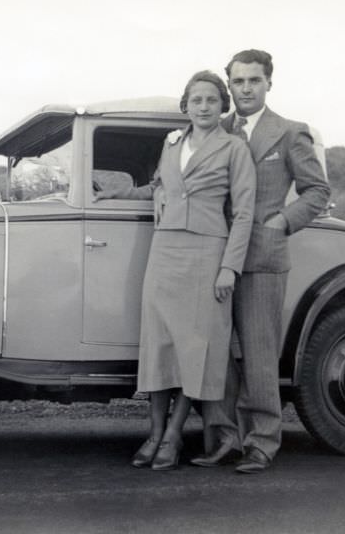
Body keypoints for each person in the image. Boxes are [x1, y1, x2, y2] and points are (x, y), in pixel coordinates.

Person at [96, 70, 256, 470]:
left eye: (212, 101)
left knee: (193, 349)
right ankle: (152, 434)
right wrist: (123, 192)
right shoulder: (171, 144)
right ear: (185, 106)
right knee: (159, 345)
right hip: (164, 251)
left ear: (223, 107)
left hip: (207, 254)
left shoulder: (234, 148)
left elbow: (244, 213)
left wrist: (229, 269)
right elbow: (157, 186)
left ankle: (172, 438)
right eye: (197, 100)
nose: (204, 107)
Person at [195, 49, 331, 474]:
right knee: (214, 351)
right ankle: (225, 438)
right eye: (238, 82)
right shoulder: (214, 128)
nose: (246, 89)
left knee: (258, 353)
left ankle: (263, 442)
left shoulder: (291, 133)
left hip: (263, 258)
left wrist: (281, 222)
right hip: (215, 256)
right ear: (229, 85)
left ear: (269, 83)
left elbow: (317, 192)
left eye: (254, 80)